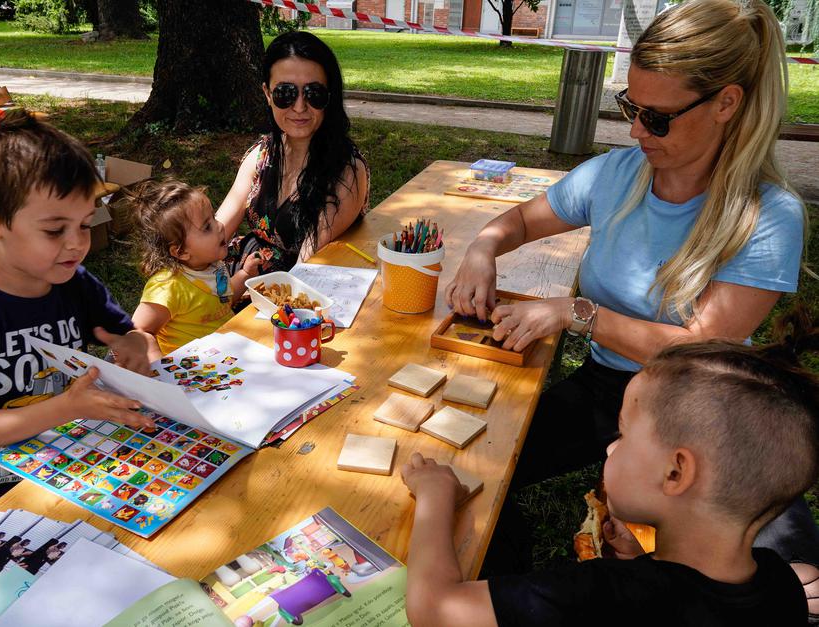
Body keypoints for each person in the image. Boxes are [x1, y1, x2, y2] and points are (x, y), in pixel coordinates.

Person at [444, 0, 819, 607]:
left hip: (709, 415)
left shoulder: (766, 215)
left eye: (658, 118)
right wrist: (483, 249)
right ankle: (497, 581)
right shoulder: (617, 174)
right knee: (479, 464)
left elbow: (700, 350)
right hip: (607, 386)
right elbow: (513, 221)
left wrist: (574, 313)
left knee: (800, 582)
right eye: (630, 108)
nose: (636, 131)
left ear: (727, 103)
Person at [402, 329, 819, 625]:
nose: (609, 448)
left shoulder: (602, 595)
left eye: (623, 434)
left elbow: (435, 610)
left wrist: (435, 496)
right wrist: (645, 561)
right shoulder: (784, 587)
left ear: (676, 472)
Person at [0, 111, 156, 526]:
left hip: (81, 476)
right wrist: (65, 407)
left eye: (84, 224)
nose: (77, 244)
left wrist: (136, 345)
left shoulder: (74, 283)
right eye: (54, 230)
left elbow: (132, 337)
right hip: (1, 502)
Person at [217, 30, 370, 275]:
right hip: (239, 277)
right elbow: (217, 232)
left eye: (314, 93)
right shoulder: (261, 155)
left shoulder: (345, 170)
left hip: (287, 296)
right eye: (285, 93)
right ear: (267, 94)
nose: (299, 107)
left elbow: (306, 263)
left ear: (329, 97)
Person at [130, 181, 261, 359]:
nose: (220, 226)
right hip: (190, 372)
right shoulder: (169, 286)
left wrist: (245, 274)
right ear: (181, 252)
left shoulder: (212, 266)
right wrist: (159, 368)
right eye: (207, 227)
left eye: (214, 217)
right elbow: (138, 331)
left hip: (223, 359)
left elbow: (222, 301)